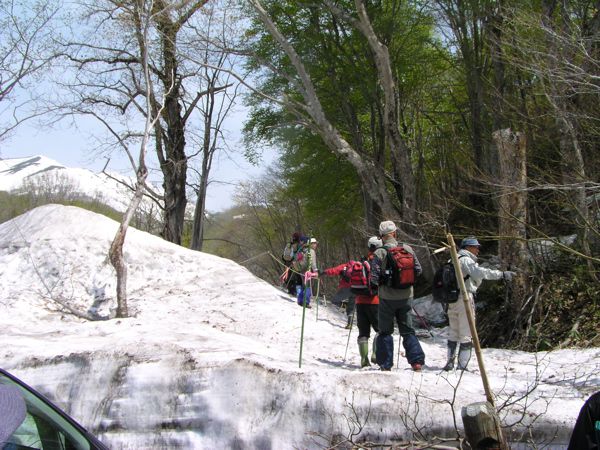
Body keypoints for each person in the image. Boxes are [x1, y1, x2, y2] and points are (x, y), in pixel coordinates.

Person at [443, 236, 516, 371]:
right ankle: (462, 366)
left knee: (453, 332)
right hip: (464, 298)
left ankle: (450, 362)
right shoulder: (466, 260)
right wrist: (502, 275)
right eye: (475, 247)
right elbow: (480, 273)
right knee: (466, 332)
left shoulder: (452, 259)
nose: (477, 250)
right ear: (468, 247)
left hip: (451, 300)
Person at [370, 220, 425, 371]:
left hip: (387, 298)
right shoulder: (407, 249)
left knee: (385, 331)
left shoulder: (379, 253)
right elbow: (418, 270)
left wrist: (378, 286)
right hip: (407, 296)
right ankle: (416, 361)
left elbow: (373, 278)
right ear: (395, 233)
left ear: (381, 236)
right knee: (408, 330)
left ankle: (386, 363)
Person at [355, 236, 382, 368]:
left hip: (360, 301)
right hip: (375, 301)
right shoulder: (379, 261)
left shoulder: (362, 261)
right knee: (380, 329)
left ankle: (364, 359)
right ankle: (375, 355)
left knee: (363, 333)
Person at [321, 262, 355, 329]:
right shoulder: (359, 267)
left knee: (334, 301)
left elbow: (334, 270)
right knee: (351, 307)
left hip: (346, 287)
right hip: (357, 288)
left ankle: (344, 305)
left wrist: (324, 272)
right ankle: (349, 324)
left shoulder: (345, 266)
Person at [293, 237, 319, 308]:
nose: (315, 245)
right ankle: (306, 302)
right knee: (308, 286)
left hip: (302, 270)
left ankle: (300, 300)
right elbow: (313, 263)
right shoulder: (311, 251)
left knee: (304, 285)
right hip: (308, 271)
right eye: (314, 243)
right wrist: (316, 271)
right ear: (311, 244)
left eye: (316, 244)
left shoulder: (304, 250)